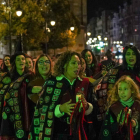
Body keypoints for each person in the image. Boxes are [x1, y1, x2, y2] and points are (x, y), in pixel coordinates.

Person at [28, 51, 96, 140]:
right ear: (64, 65)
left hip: (80, 133)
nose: (77, 66)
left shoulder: (85, 83)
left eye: (79, 63)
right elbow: (42, 109)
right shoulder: (52, 83)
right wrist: (60, 109)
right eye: (73, 63)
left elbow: (94, 107)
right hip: (58, 134)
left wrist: (87, 106)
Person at [92, 45, 140, 139]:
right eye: (128, 54)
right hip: (119, 108)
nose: (131, 57)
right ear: (124, 56)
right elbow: (102, 87)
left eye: (133, 54)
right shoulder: (117, 71)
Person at [0, 53, 34, 140]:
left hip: (27, 110)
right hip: (12, 112)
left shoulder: (30, 76)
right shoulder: (8, 77)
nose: (21, 61)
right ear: (14, 62)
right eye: (18, 59)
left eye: (23, 59)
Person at [99, 75, 140, 140]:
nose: (122, 92)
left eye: (125, 89)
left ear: (132, 90)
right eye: (120, 89)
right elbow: (106, 131)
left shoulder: (138, 105)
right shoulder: (113, 109)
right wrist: (117, 125)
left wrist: (134, 124)